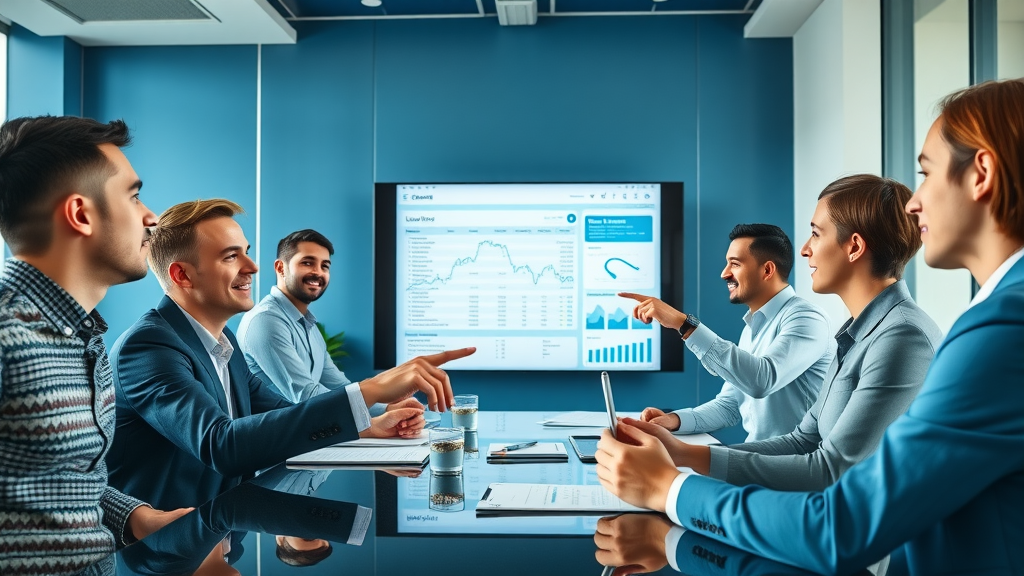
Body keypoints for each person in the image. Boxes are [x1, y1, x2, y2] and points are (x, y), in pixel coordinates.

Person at [595, 79, 1024, 575]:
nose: (914, 202)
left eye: (926, 174)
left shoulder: (987, 328)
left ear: (982, 174)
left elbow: (839, 511)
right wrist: (684, 455)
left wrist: (669, 488)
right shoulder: (867, 332)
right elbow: (805, 441)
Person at [107, 199, 475, 511]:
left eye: (247, 253)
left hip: (223, 529)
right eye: (231, 257)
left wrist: (369, 428)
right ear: (183, 275)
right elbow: (221, 444)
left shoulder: (222, 344)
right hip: (172, 548)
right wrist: (373, 391)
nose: (252, 267)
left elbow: (285, 412)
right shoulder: (150, 347)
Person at [626, 176, 942, 492]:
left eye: (816, 234)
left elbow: (829, 469)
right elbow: (803, 439)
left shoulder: (902, 337)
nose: (804, 250)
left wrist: (685, 325)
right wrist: (679, 451)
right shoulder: (856, 334)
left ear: (855, 247)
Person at [0, 116, 190, 574]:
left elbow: (62, 478)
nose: (151, 216)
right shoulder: (6, 338)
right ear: (81, 214)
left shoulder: (84, 334)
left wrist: (143, 518)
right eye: (134, 195)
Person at [622, 224, 833, 441]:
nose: (724, 273)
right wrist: (673, 421)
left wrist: (684, 324)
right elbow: (730, 405)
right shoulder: (752, 328)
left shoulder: (807, 319)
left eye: (735, 264)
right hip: (761, 463)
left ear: (767, 270)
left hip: (797, 468)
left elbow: (762, 380)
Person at [236, 229, 416, 420]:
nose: (318, 273)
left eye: (325, 266)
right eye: (307, 263)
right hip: (278, 444)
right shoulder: (265, 321)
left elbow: (339, 387)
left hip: (309, 436)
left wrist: (388, 409)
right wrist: (380, 390)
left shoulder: (309, 325)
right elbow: (306, 397)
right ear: (280, 268)